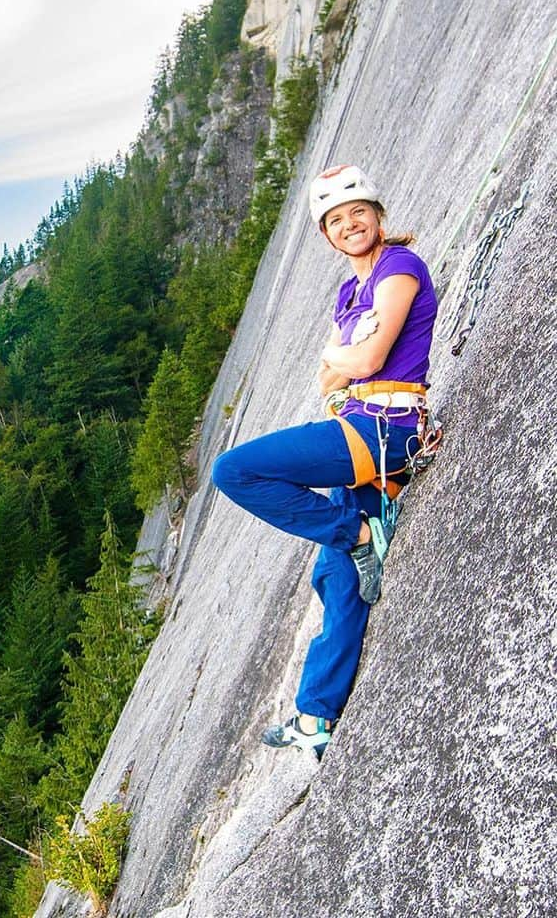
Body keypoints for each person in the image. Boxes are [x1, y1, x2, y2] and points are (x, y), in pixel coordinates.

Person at [211, 164, 438, 760]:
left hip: (384, 427)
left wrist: (339, 355)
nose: (350, 223)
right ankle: (316, 716)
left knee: (234, 470)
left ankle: (359, 530)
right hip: (360, 430)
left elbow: (363, 362)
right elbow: (327, 379)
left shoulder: (400, 268)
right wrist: (343, 359)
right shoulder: (349, 293)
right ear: (327, 235)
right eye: (336, 220)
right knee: (338, 579)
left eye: (358, 211)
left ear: (378, 215)